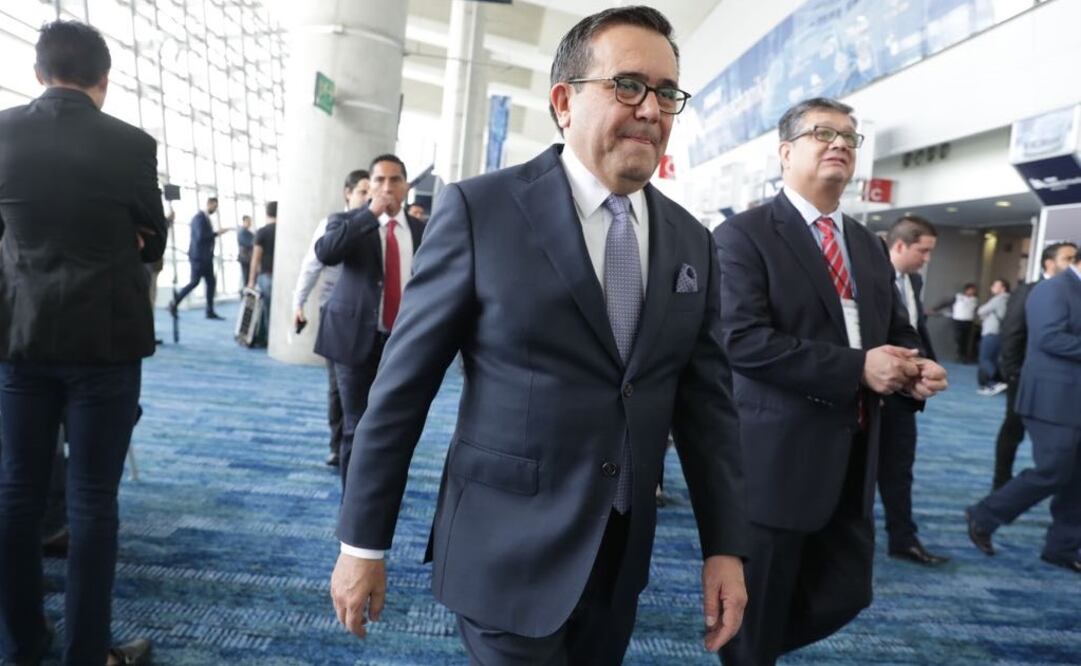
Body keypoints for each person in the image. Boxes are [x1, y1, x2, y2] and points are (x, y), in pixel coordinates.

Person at [330, 8, 748, 663]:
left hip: (617, 558)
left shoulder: (689, 238)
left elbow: (707, 409)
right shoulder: (480, 212)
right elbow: (400, 391)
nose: (651, 108)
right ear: (563, 101)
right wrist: (362, 543)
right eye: (628, 85)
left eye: (666, 92)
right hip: (504, 548)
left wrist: (726, 546)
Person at [714, 97, 948, 665]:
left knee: (842, 592)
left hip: (854, 453)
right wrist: (857, 368)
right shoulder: (743, 236)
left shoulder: (866, 244)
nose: (840, 143)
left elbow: (895, 329)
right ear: (786, 151)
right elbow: (742, 341)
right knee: (758, 618)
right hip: (778, 459)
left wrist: (914, 366)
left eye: (849, 135)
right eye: (824, 133)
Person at [0, 20, 161, 665]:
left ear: (38, 73)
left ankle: (20, 647)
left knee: (16, 493)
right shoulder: (131, 145)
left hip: (21, 339)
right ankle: (87, 653)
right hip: (106, 343)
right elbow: (153, 238)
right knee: (94, 500)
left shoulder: (3, 134)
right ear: (104, 79)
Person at [966, 252, 1081, 573]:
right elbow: (1050, 338)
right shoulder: (1055, 289)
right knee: (1054, 470)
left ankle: (1062, 547)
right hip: (1052, 399)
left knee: (1077, 478)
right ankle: (985, 514)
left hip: (1074, 401)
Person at [313, 157, 423, 487]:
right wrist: (369, 214)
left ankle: (382, 493)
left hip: (403, 342)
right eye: (379, 180)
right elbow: (326, 252)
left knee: (394, 425)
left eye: (395, 180)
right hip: (353, 339)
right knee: (356, 425)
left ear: (406, 186)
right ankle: (355, 507)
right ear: (369, 185)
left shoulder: (424, 230)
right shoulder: (348, 222)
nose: (387, 187)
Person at [878, 215, 949, 566]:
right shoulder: (869, 275)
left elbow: (915, 327)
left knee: (899, 468)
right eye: (923, 250)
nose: (927, 258)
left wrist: (928, 366)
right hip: (868, 388)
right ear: (900, 245)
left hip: (903, 396)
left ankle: (902, 539)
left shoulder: (914, 281)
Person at [292, 169, 370, 467]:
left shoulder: (379, 226)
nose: (368, 197)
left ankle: (358, 445)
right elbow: (312, 264)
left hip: (370, 318)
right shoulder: (336, 222)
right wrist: (298, 303)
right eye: (362, 191)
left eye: (369, 191)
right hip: (336, 316)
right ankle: (338, 445)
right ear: (347, 193)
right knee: (338, 387)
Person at [992, 242, 1078, 488]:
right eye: (1067, 258)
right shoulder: (1031, 290)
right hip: (1025, 378)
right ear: (1049, 263)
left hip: (1062, 387)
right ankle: (1001, 483)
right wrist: (1013, 374)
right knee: (1013, 431)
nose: (1072, 263)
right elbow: (1012, 334)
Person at [170, 196, 227, 320]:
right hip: (199, 258)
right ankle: (174, 303)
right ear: (209, 204)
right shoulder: (199, 218)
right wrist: (217, 233)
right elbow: (201, 237)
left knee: (211, 283)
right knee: (194, 282)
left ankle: (209, 311)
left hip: (206, 258)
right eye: (215, 206)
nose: (215, 209)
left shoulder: (205, 218)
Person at [248, 201, 277, 344]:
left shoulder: (262, 232)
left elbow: (256, 258)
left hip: (267, 275)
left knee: (267, 309)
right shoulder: (285, 232)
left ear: (267, 213)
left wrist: (251, 281)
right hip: (283, 277)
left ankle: (269, 339)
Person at [976, 278, 1010, 395]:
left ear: (1003, 288)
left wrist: (985, 314)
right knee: (993, 360)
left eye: (995, 285)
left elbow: (981, 311)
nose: (992, 287)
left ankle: (996, 383)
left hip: (991, 333)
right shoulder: (1008, 299)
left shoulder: (999, 299)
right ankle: (991, 384)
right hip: (999, 333)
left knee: (984, 359)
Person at [940, 283, 978, 362]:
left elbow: (976, 310)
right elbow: (945, 303)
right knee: (958, 338)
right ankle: (958, 354)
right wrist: (935, 309)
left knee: (966, 340)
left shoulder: (975, 299)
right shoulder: (958, 297)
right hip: (958, 320)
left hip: (968, 321)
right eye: (971, 290)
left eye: (973, 290)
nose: (972, 292)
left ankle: (964, 356)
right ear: (966, 290)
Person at [237, 214, 254, 290]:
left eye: (250, 221)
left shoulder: (248, 232)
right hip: (245, 259)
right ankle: (245, 295)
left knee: (247, 278)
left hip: (248, 258)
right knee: (246, 278)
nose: (250, 223)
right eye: (248, 221)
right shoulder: (242, 232)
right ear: (244, 222)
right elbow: (251, 244)